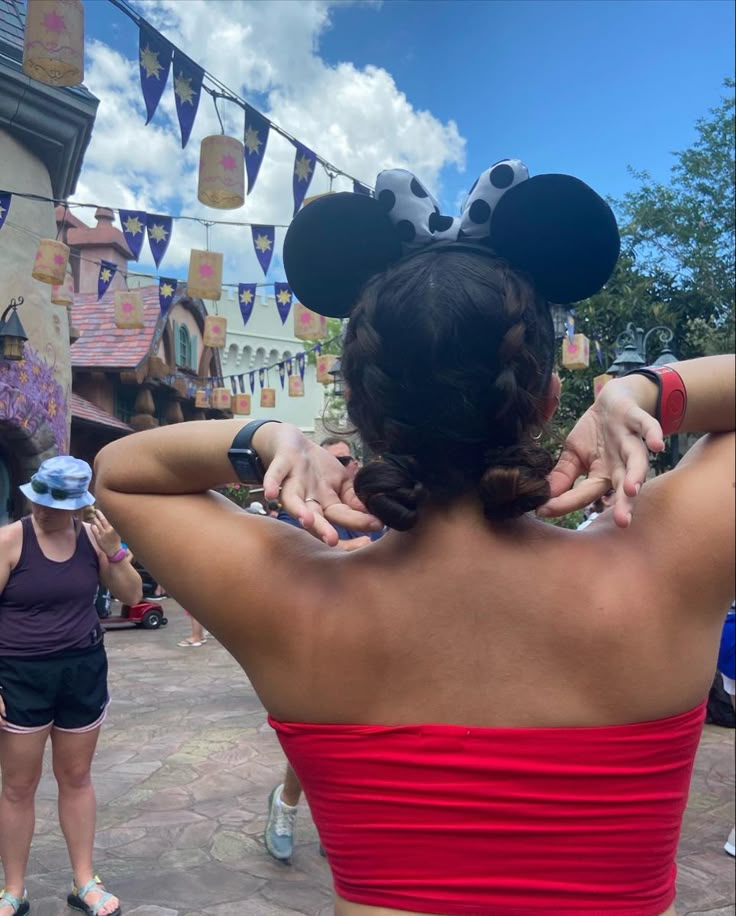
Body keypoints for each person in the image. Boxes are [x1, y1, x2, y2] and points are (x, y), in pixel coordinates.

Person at [94, 161, 734, 916]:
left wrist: (266, 439)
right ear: (548, 400)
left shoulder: (295, 600)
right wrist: (641, 390)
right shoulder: (662, 568)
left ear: (361, 407)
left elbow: (119, 473)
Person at [0, 456, 142, 916]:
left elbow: (132, 596)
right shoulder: (9, 541)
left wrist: (116, 550)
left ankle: (85, 882)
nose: (42, 510)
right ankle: (14, 890)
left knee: (76, 778)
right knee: (19, 786)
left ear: (78, 506)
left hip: (81, 669)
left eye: (54, 504)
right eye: (37, 499)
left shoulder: (92, 541)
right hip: (19, 675)